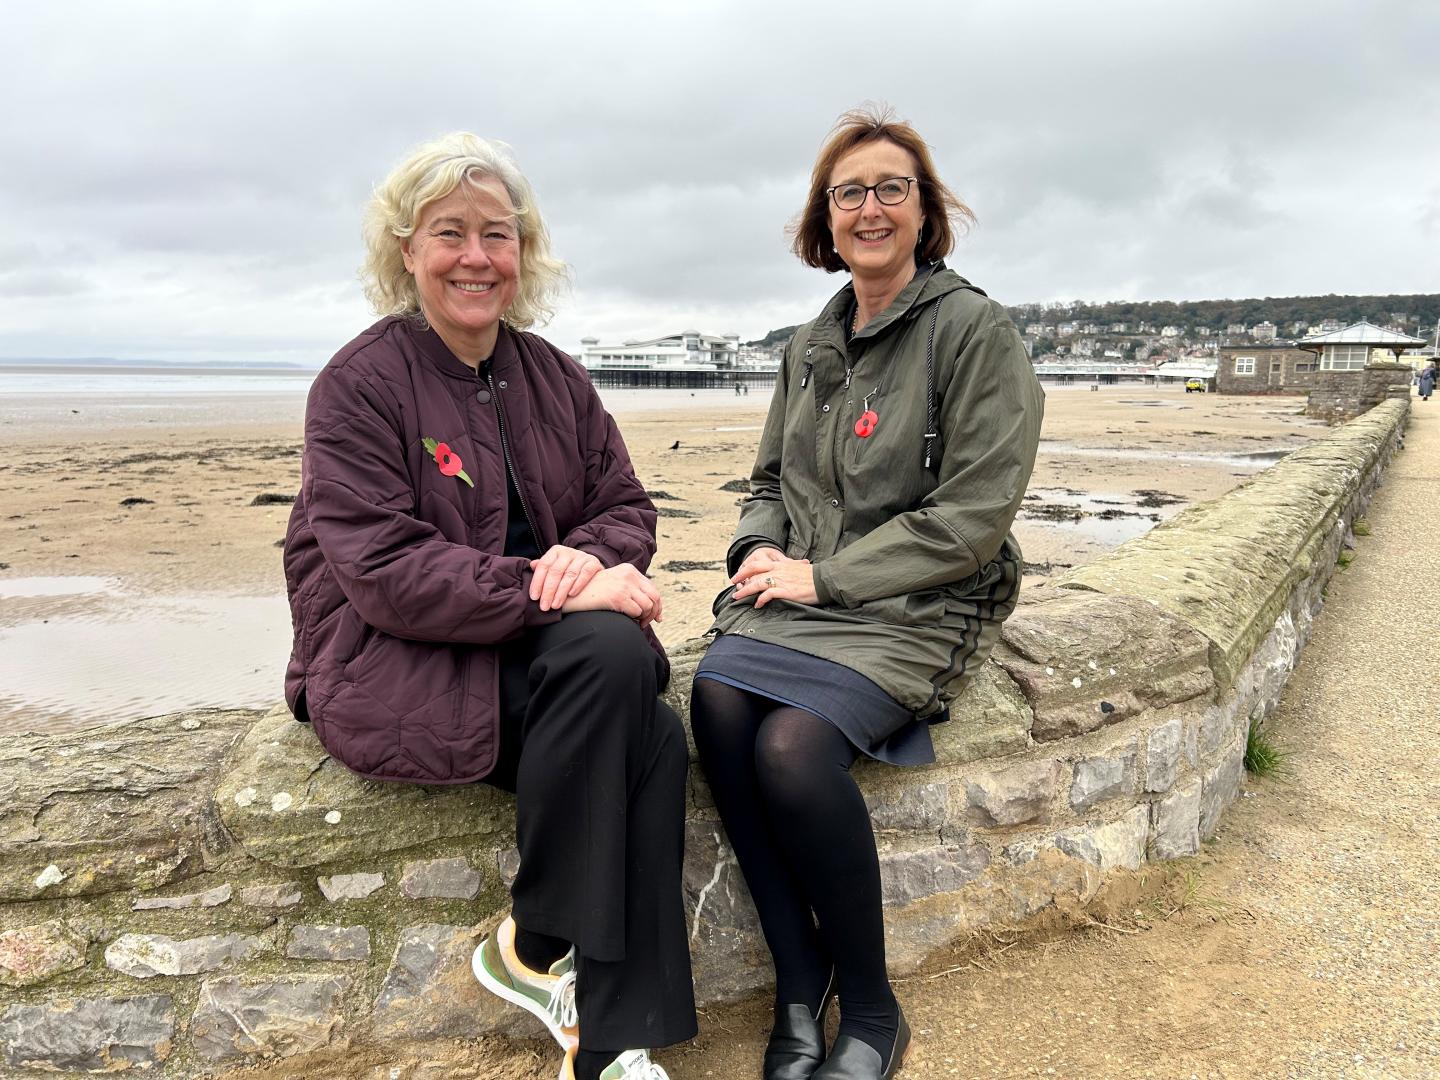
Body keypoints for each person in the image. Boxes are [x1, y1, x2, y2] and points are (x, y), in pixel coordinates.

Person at [282, 132, 693, 1080]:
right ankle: (560, 973)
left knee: (623, 679)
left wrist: (583, 562)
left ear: (524, 253)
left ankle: (559, 981)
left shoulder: (554, 376)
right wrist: (561, 589)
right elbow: (383, 569)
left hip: (536, 655)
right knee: (644, 718)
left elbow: (625, 505)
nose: (477, 257)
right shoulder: (357, 385)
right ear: (406, 251)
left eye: (497, 236)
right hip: (396, 656)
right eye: (450, 234)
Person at [690, 106, 1044, 1080]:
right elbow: (767, 485)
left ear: (927, 213)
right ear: (827, 217)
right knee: (714, 702)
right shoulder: (811, 343)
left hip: (919, 605)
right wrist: (759, 554)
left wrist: (825, 574)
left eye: (894, 188)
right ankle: (801, 979)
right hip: (808, 595)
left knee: (793, 749)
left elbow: (973, 519)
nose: (871, 207)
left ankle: (875, 1011)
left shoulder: (976, 333)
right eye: (851, 192)